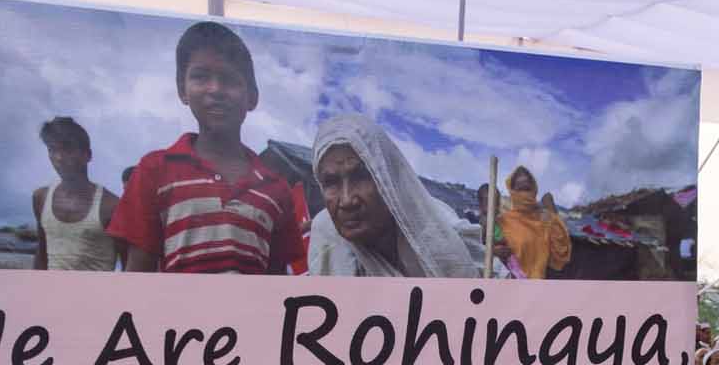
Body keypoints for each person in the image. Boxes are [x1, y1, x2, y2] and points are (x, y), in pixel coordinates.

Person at [109, 20, 305, 274]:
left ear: (252, 97)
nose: (216, 89)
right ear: (182, 90)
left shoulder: (275, 189)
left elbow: (276, 282)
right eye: (201, 77)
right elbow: (138, 273)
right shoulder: (155, 171)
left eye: (230, 80)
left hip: (251, 315)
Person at [305, 114, 476, 279]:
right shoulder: (326, 234)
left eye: (361, 176)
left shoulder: (439, 227)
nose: (347, 200)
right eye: (330, 182)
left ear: (388, 177)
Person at [31, 117, 118, 271]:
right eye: (52, 149)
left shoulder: (111, 206)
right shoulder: (41, 198)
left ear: (88, 155)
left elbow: (128, 267)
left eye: (67, 150)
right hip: (50, 294)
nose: (58, 157)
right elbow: (42, 254)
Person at [489, 164, 572, 278]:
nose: (524, 194)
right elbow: (489, 249)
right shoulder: (502, 221)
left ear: (534, 189)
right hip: (511, 285)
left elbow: (560, 252)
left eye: (527, 189)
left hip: (539, 285)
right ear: (512, 191)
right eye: (520, 190)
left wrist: (552, 214)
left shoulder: (545, 219)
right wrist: (495, 252)